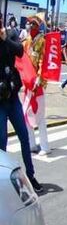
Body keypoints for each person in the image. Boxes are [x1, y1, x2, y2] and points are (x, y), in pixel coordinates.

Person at [0, 24, 42, 193]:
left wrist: (4, 40)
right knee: (2, 142)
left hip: (13, 99)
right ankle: (3, 181)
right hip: (0, 103)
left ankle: (31, 176)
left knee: (24, 137)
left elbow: (19, 50)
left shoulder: (10, 34)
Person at [22, 14, 49, 155]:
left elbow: (43, 61)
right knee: (26, 114)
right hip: (28, 83)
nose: (31, 26)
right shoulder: (26, 41)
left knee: (39, 116)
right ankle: (32, 144)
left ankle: (44, 146)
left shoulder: (42, 41)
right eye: (29, 23)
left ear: (39, 26)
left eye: (34, 24)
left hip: (38, 84)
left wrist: (39, 77)